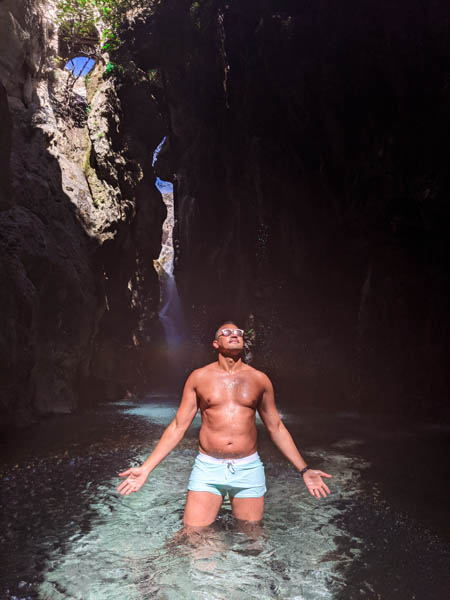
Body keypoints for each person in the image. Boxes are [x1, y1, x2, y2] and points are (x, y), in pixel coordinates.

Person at [117, 322, 332, 526]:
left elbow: (276, 427)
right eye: (227, 333)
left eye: (238, 332)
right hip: (208, 467)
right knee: (193, 537)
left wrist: (304, 470)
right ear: (215, 344)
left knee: (251, 540)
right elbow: (177, 426)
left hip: (248, 468)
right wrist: (146, 468)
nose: (235, 335)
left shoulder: (259, 380)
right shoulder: (199, 378)